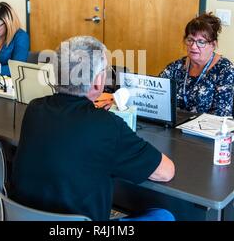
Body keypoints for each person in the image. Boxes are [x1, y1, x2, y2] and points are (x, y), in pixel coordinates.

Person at [10, 36, 175, 221]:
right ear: (98, 81)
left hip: (24, 217)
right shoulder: (106, 125)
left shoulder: (34, 108)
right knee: (163, 216)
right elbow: (165, 171)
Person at [159, 13, 234, 116]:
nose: (193, 46)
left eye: (201, 42)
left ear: (213, 45)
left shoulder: (224, 69)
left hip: (205, 129)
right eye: (190, 40)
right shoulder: (175, 67)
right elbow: (156, 94)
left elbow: (221, 115)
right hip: (175, 127)